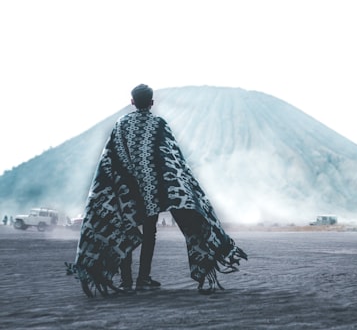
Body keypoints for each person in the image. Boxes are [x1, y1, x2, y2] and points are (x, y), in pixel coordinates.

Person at [67, 84, 247, 297]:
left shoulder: (121, 124)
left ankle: (126, 281)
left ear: (132, 101)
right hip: (151, 194)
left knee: (127, 227)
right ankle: (143, 279)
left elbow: (109, 160)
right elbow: (173, 160)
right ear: (152, 103)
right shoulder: (159, 124)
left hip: (126, 192)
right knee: (149, 233)